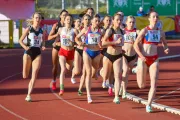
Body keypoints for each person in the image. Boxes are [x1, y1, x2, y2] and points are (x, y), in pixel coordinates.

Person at [133, 11, 169, 112]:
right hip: (143, 59)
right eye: (153, 17)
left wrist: (166, 48)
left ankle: (149, 104)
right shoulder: (144, 31)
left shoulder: (161, 32)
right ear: (149, 19)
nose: (155, 18)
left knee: (154, 83)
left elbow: (165, 44)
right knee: (141, 85)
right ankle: (137, 69)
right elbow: (135, 45)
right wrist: (141, 56)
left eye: (157, 17)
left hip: (154, 59)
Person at [75, 14, 104, 103]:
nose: (97, 22)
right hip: (87, 52)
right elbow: (76, 38)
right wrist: (79, 43)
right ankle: (89, 95)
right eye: (95, 21)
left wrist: (101, 45)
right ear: (92, 21)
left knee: (94, 74)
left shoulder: (101, 31)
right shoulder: (86, 29)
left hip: (97, 53)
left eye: (98, 21)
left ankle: (96, 74)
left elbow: (103, 41)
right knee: (88, 72)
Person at [19, 12, 46, 102]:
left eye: (39, 18)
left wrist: (43, 45)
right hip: (28, 53)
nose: (38, 19)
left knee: (34, 74)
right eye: (36, 18)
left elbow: (43, 41)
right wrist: (25, 47)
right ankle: (24, 73)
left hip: (37, 53)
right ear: (33, 19)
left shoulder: (42, 31)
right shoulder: (29, 29)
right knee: (25, 75)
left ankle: (28, 95)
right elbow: (20, 40)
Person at [102, 13, 124, 104]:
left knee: (118, 76)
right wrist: (115, 42)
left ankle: (116, 97)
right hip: (109, 55)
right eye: (117, 20)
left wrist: (122, 47)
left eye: (120, 20)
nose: (119, 22)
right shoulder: (110, 31)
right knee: (106, 75)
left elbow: (122, 43)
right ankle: (103, 76)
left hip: (118, 56)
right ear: (113, 21)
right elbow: (103, 43)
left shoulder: (122, 31)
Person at [57, 14, 79, 95]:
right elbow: (57, 38)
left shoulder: (74, 30)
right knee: (63, 69)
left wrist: (74, 43)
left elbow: (78, 40)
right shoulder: (60, 29)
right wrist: (56, 42)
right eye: (67, 19)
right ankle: (61, 89)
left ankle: (70, 75)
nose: (68, 20)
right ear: (64, 20)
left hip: (71, 52)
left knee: (70, 68)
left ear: (72, 21)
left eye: (70, 19)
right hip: (62, 51)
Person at [48, 9, 68, 90]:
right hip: (57, 47)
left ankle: (62, 80)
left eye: (66, 15)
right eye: (63, 15)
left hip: (66, 47)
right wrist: (57, 34)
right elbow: (49, 37)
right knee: (55, 66)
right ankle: (54, 81)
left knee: (66, 67)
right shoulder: (56, 25)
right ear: (60, 16)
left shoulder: (70, 25)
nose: (65, 17)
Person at [120, 15, 140, 99]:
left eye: (133, 22)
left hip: (132, 56)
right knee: (125, 71)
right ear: (126, 23)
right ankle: (124, 91)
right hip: (124, 54)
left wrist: (135, 42)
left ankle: (122, 87)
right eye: (130, 22)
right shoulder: (123, 31)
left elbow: (142, 43)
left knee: (127, 72)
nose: (131, 24)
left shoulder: (137, 32)